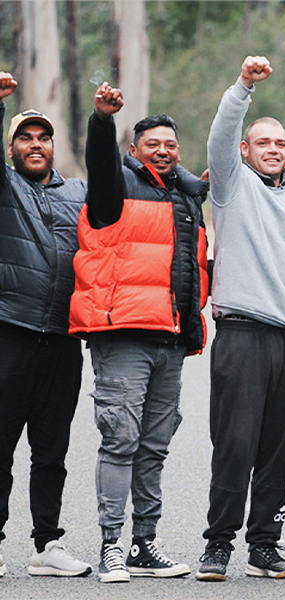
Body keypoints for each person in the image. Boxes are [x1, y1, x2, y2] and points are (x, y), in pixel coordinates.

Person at [69, 83, 210, 583]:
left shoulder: (186, 197)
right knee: (121, 438)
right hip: (124, 332)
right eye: (152, 144)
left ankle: (143, 544)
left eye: (170, 144)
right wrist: (102, 121)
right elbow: (100, 164)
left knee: (154, 445)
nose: (163, 150)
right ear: (134, 150)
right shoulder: (117, 187)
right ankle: (110, 543)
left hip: (170, 338)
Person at [195, 56, 285, 582]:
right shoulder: (231, 184)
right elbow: (221, 135)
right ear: (245, 150)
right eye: (263, 142)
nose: (273, 149)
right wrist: (243, 86)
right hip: (242, 332)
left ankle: (264, 545)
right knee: (235, 446)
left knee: (277, 449)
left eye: (281, 143)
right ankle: (218, 545)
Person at [0, 73, 91, 577]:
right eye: (25, 138)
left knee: (51, 450)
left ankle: (47, 545)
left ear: (54, 147)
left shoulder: (76, 193)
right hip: (10, 331)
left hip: (62, 337)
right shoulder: (5, 186)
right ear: (11, 148)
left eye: (43, 137)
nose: (35, 144)